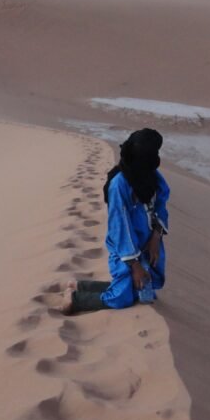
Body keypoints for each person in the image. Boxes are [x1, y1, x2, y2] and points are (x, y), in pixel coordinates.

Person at [64, 128, 170, 314]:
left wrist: (156, 236)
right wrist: (135, 264)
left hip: (149, 243)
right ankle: (74, 299)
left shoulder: (152, 177)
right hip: (124, 248)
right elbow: (120, 227)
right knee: (121, 298)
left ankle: (82, 285)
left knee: (144, 288)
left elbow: (161, 204)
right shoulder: (119, 185)